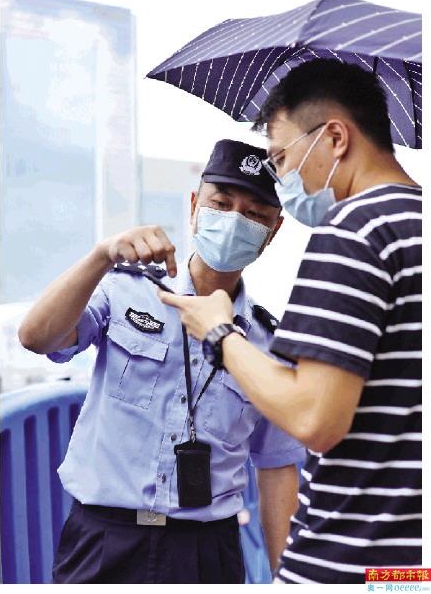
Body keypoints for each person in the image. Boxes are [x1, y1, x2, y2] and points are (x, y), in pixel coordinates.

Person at [159, 59, 422, 584]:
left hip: (349, 554)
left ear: (335, 138)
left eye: (280, 156)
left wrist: (221, 334)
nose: (281, 178)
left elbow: (313, 419)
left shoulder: (354, 231)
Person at [18, 139, 306, 584]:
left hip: (207, 551)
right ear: (194, 205)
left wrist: (286, 581)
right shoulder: (125, 288)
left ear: (274, 230)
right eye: (221, 204)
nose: (234, 221)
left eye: (254, 214)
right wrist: (100, 255)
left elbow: (276, 468)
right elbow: (37, 338)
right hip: (103, 540)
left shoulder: (270, 345)